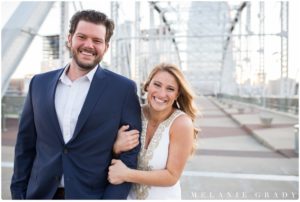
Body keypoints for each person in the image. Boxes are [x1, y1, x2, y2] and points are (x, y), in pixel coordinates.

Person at [10, 10, 141, 199]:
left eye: (97, 40)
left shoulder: (123, 89)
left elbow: (130, 154)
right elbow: (25, 146)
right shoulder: (39, 84)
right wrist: (18, 195)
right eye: (82, 37)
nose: (88, 45)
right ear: (70, 39)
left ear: (106, 47)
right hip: (39, 194)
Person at [108, 63, 199, 199]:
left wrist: (126, 174)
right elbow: (106, 158)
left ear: (177, 94)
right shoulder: (132, 113)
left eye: (170, 89)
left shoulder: (181, 124)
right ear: (147, 85)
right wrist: (115, 147)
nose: (162, 94)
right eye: (157, 85)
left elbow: (172, 176)